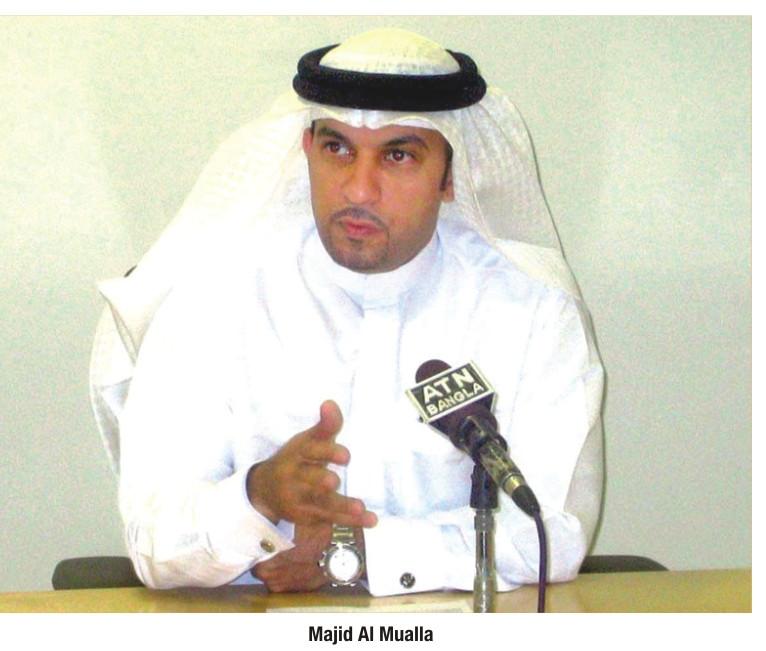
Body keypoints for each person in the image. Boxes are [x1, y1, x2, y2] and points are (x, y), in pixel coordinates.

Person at [89, 28, 604, 596]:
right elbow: (153, 540)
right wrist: (258, 494)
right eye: (337, 149)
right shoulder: (212, 298)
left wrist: (358, 554)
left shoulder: (530, 312)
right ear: (307, 149)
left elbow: (552, 529)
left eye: (398, 155)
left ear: (450, 176)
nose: (359, 190)